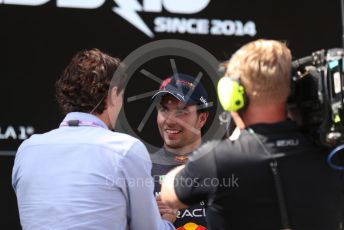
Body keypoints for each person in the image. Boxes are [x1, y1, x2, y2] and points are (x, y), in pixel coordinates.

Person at [160, 39, 344, 229]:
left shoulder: (218, 160)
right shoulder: (332, 155)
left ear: (232, 95)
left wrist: (234, 139)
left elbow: (169, 193)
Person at [12, 48, 176, 230]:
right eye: (122, 95)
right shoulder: (125, 149)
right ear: (113, 94)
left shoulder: (27, 149)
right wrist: (167, 220)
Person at [151, 74, 209, 230]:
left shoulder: (225, 167)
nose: (169, 121)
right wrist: (147, 216)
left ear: (202, 118)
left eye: (181, 112)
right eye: (164, 109)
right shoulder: (140, 167)